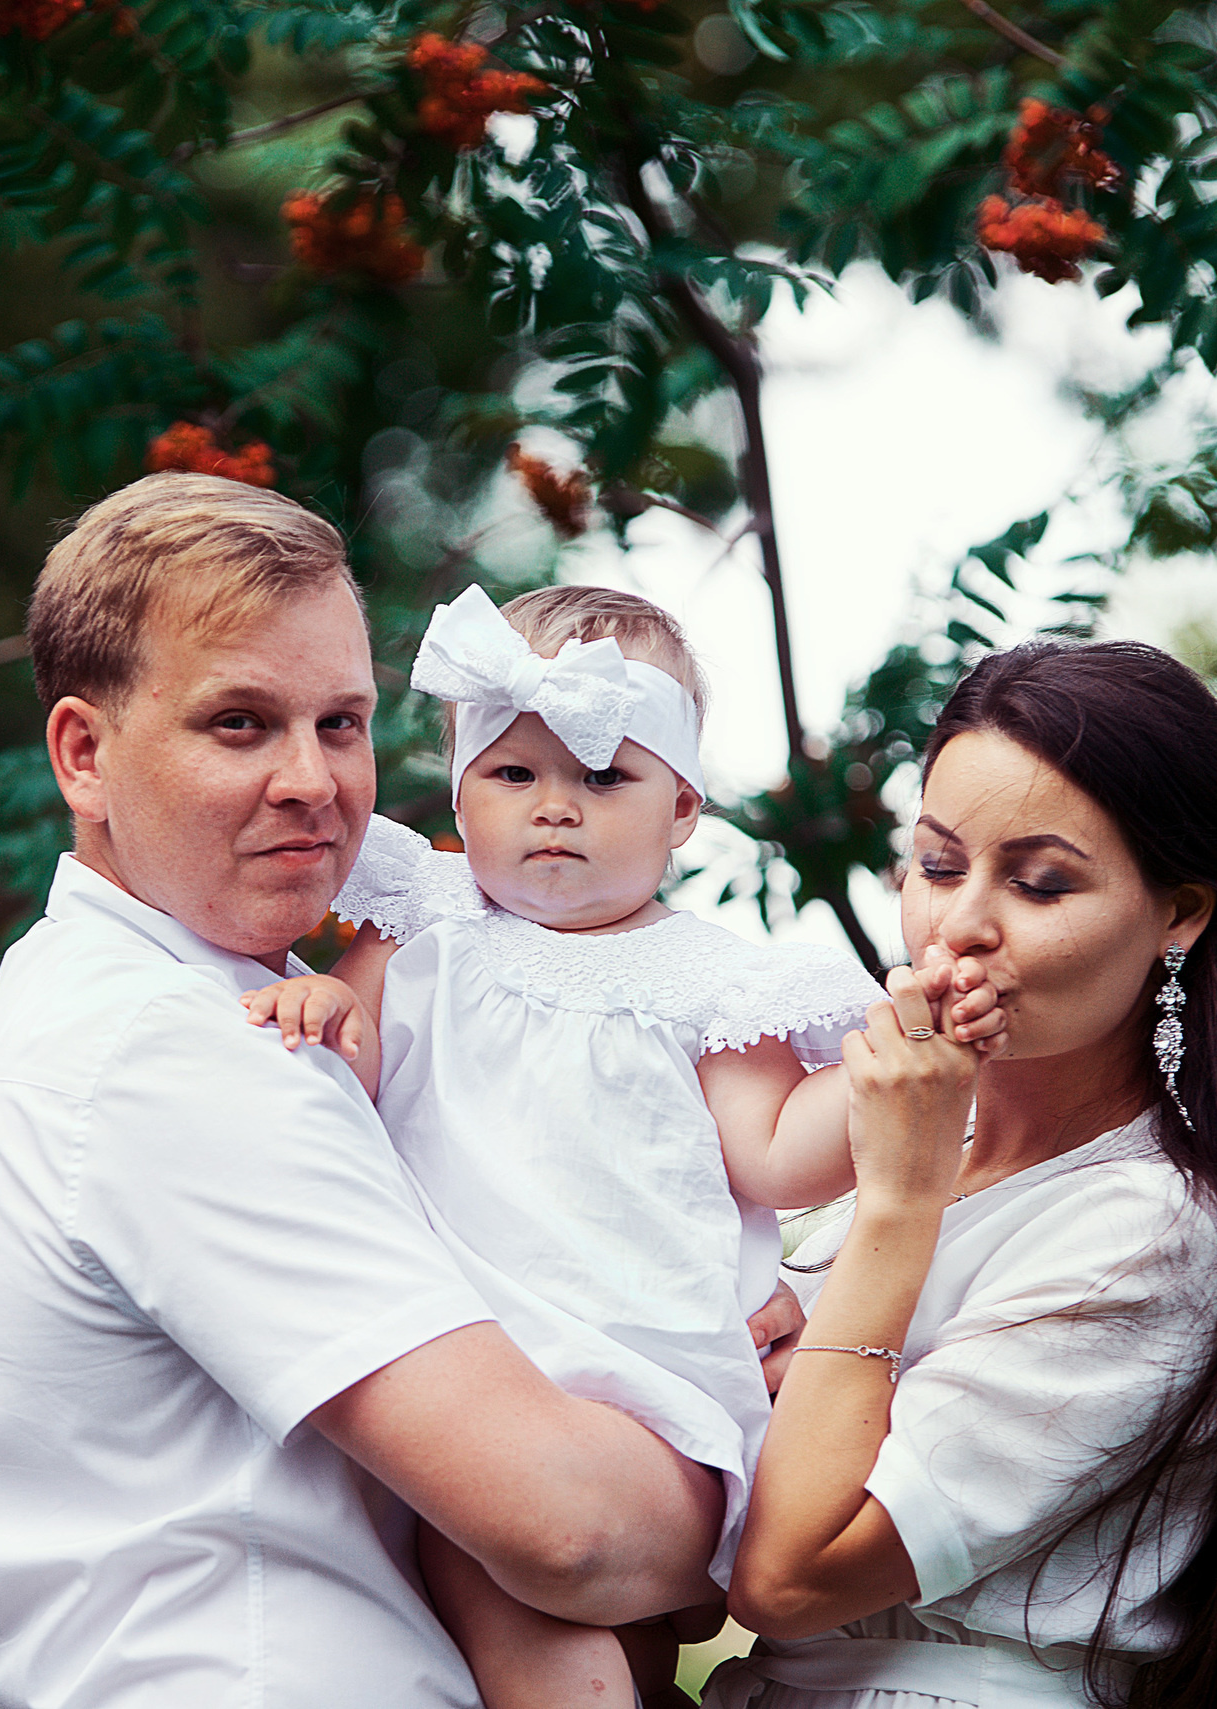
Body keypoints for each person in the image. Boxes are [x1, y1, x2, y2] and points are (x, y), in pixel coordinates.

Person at [0, 474, 759, 1709]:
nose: (314, 779)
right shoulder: (182, 1052)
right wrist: (745, 1473)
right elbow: (566, 1527)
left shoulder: (276, 1007)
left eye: (343, 722)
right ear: (85, 754)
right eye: (240, 723)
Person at [243, 584, 1007, 1709]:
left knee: (564, 1623)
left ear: (683, 806)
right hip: (478, 1373)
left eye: (603, 777)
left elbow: (775, 1153)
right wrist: (325, 1019)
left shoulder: (706, 982)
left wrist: (908, 1049)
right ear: (459, 791)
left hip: (652, 1380)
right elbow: (349, 1089)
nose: (556, 807)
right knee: (554, 1640)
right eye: (514, 774)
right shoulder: (422, 924)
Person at [713, 640, 1217, 1708]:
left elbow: (787, 1573)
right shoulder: (898, 1148)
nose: (961, 924)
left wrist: (899, 1203)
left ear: (1178, 913)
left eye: (1038, 882)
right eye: (938, 864)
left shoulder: (1153, 1229)